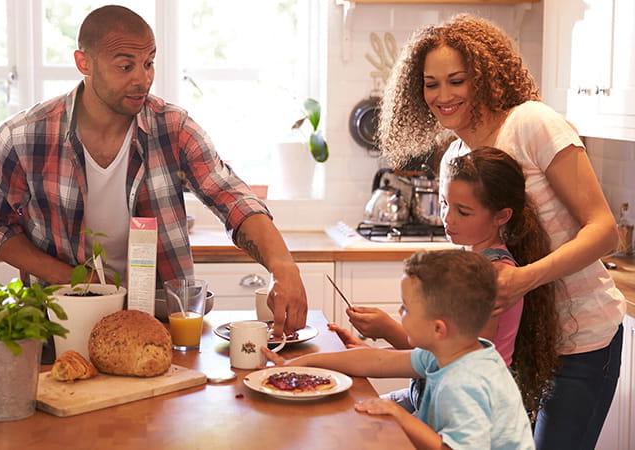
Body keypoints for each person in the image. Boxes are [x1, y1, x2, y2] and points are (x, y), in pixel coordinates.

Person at [0, 5, 307, 335]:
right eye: (125, 66)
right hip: (59, 326)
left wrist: (283, 266)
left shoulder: (173, 127)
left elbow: (231, 197)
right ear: (84, 62)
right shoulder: (24, 136)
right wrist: (70, 276)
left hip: (159, 325)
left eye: (148, 63)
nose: (142, 79)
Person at [376, 14, 625, 449]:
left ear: (484, 76)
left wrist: (523, 278)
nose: (443, 95)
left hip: (584, 339)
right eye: (431, 84)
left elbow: (604, 231)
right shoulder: (453, 158)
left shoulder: (532, 124)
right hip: (524, 348)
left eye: (456, 80)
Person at [331, 147, 560, 417]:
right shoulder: (472, 259)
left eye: (463, 212)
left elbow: (452, 361)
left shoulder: (493, 279)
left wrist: (383, 342)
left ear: (501, 216)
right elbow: (439, 347)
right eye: (444, 204)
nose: (448, 219)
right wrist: (374, 348)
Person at [265, 250, 536, 450]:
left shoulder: (464, 382)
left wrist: (399, 415)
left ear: (438, 329)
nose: (399, 312)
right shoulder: (450, 351)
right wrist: (302, 363)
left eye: (406, 308)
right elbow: (378, 360)